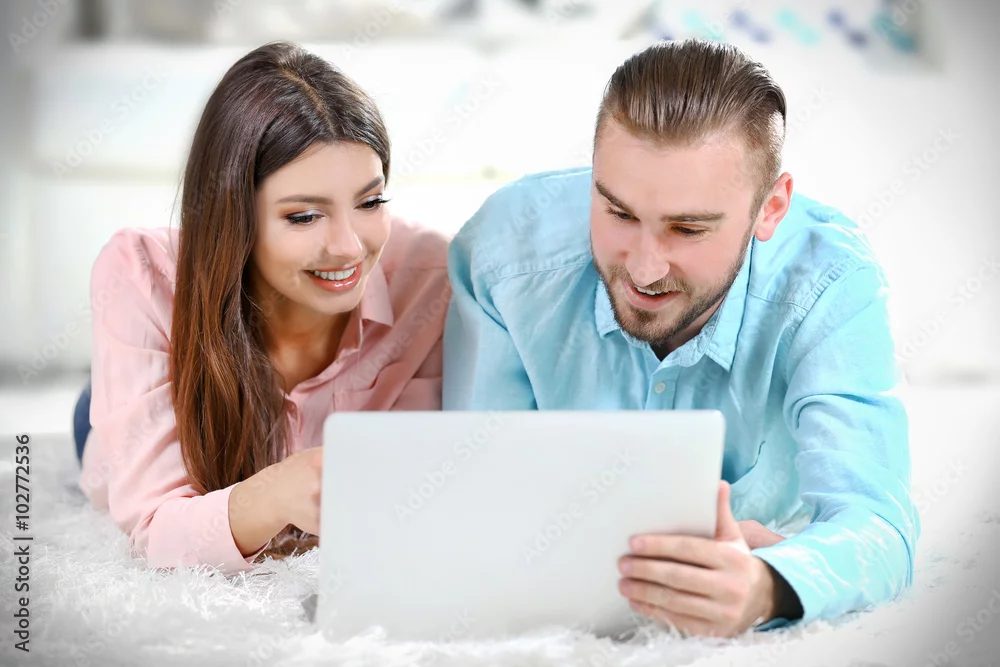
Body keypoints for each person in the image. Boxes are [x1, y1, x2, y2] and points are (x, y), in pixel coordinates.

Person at [443, 39, 918, 636]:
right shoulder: (503, 253)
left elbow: (879, 525)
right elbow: (475, 489)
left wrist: (766, 586)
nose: (644, 270)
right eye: (618, 213)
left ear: (770, 208)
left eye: (688, 229)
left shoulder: (831, 282)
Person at [74, 41, 450, 573]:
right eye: (304, 217)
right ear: (234, 214)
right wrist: (275, 493)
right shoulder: (140, 272)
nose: (349, 247)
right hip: (151, 397)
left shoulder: (430, 274)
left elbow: (414, 483)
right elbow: (153, 529)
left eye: (370, 202)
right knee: (96, 434)